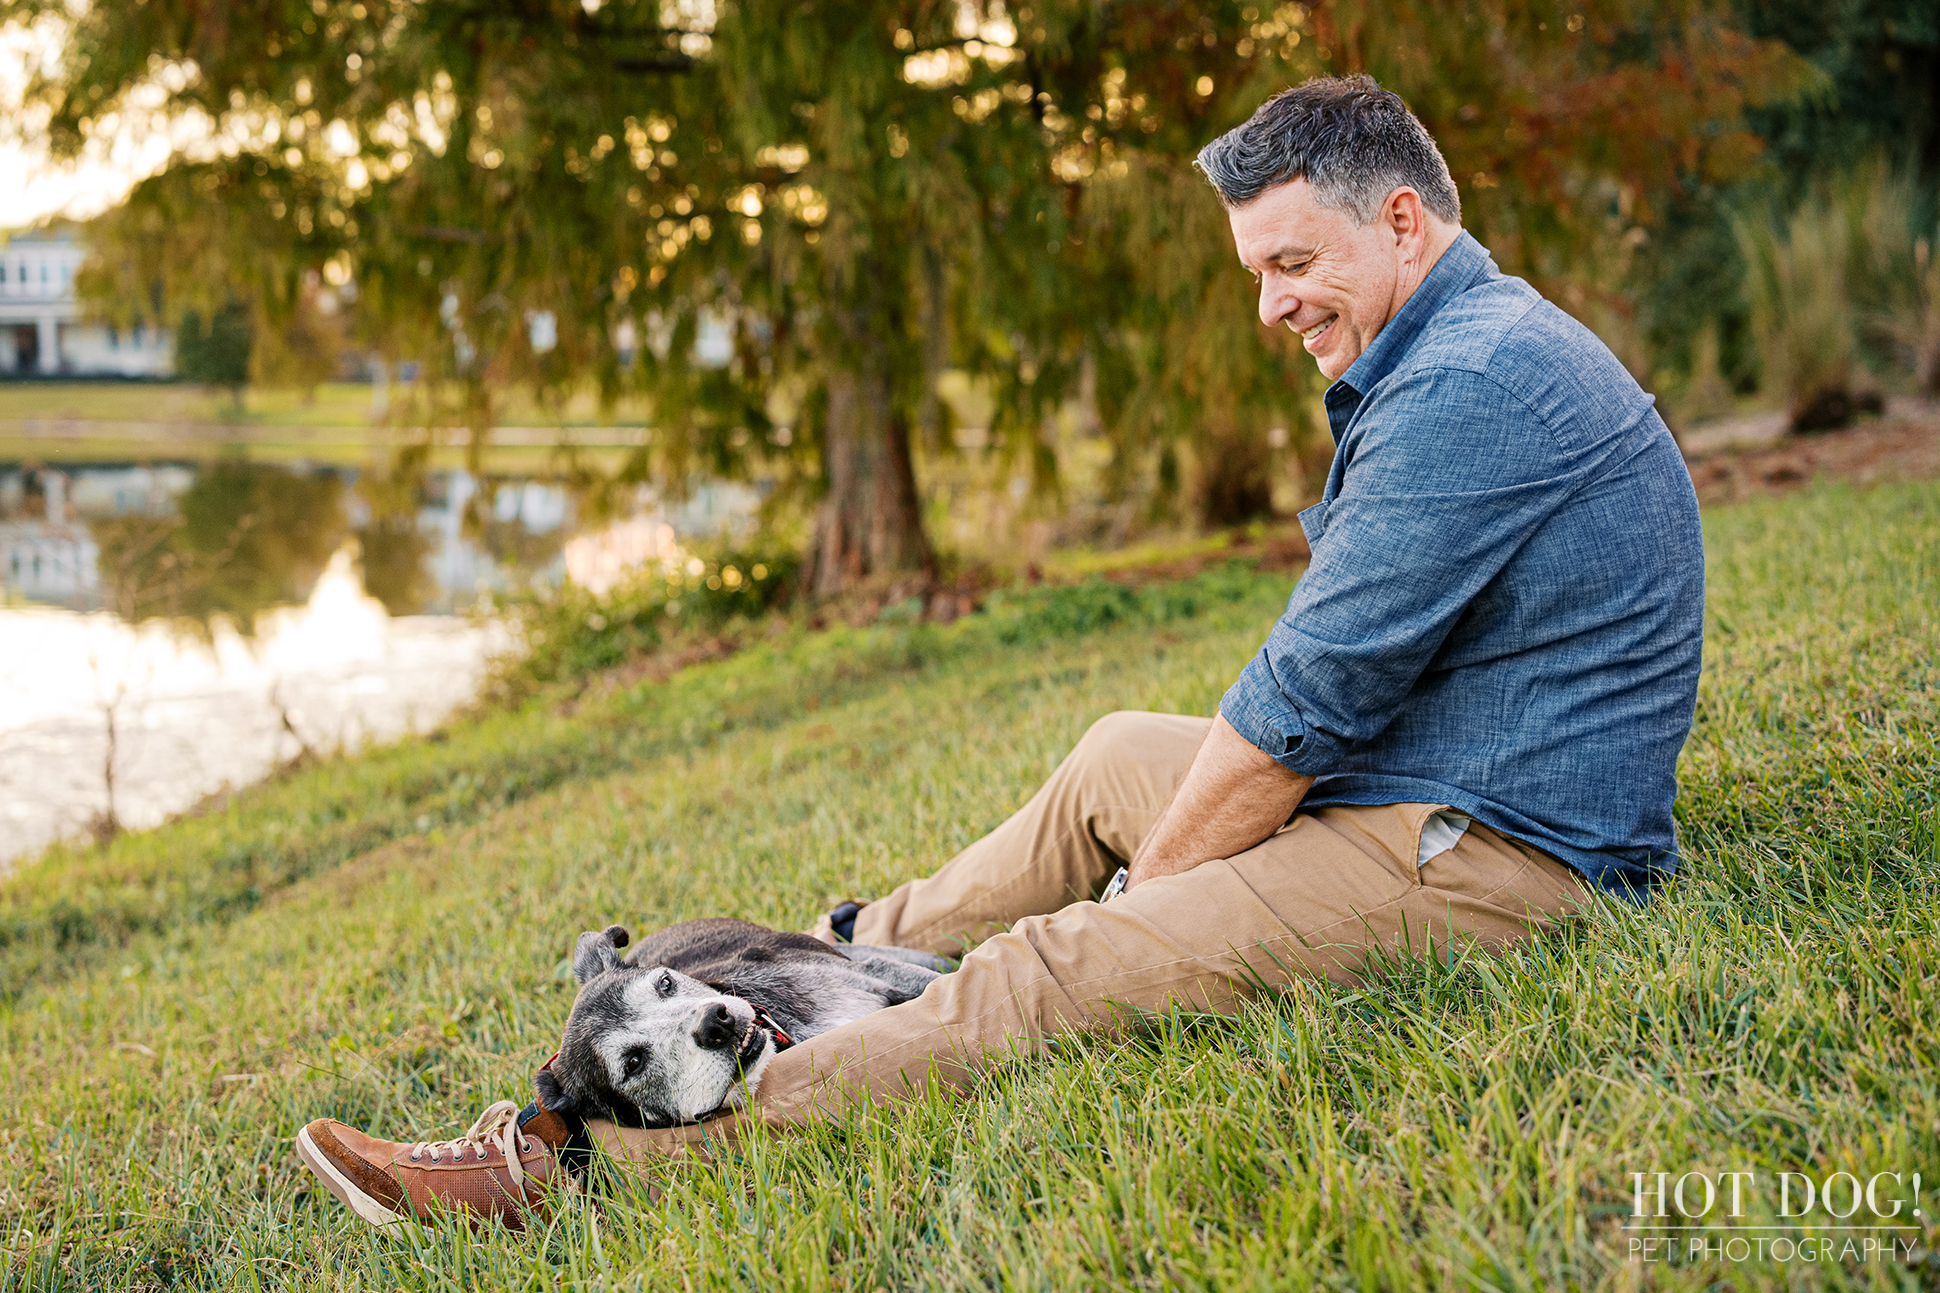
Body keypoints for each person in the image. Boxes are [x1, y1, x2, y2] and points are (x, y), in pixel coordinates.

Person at [296, 74, 1703, 1229]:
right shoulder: (1456, 349)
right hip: (1424, 777)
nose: (1270, 303)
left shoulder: (1469, 389)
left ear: (1402, 221)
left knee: (1055, 971)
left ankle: (579, 1162)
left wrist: (1134, 913)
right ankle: (843, 955)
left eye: (1291, 263)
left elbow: (1296, 719)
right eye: (1256, 270)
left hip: (1498, 850)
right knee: (1110, 761)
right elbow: (1319, 697)